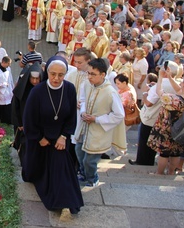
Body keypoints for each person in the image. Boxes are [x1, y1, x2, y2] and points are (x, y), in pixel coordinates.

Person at [23, 56, 84, 214]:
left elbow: (72, 117)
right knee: (38, 173)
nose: (56, 78)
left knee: (62, 170)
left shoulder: (69, 89)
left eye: (61, 75)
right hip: (40, 139)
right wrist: (39, 138)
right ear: (46, 71)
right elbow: (28, 119)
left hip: (59, 140)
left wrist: (64, 136)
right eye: (53, 74)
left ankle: (64, 202)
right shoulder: (37, 91)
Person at [74, 58, 126, 187]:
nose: (89, 77)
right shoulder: (87, 84)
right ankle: (84, 174)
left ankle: (92, 178)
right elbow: (82, 99)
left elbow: (119, 115)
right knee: (78, 151)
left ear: (103, 75)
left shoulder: (110, 92)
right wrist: (83, 112)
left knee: (89, 160)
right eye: (89, 73)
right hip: (84, 127)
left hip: (98, 131)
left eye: (93, 74)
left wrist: (97, 119)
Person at [147, 69, 184, 175]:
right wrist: (170, 77)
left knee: (164, 154)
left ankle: (159, 173)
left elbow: (159, 91)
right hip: (183, 130)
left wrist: (160, 77)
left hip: (168, 129)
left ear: (183, 84)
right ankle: (171, 173)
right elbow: (180, 90)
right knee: (176, 153)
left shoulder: (173, 100)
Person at [11, 62, 43, 167]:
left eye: (37, 79)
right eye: (32, 78)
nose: (34, 81)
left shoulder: (43, 89)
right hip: (23, 125)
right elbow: (15, 107)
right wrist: (20, 123)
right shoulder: (22, 88)